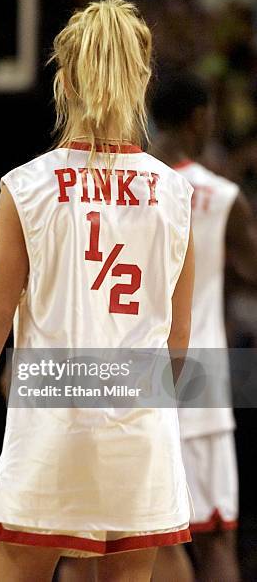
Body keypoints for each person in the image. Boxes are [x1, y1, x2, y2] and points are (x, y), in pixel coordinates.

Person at [0, 0, 195, 582]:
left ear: (66, 78)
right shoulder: (176, 195)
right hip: (139, 438)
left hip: (51, 433)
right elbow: (178, 344)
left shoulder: (27, 186)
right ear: (143, 77)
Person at [151, 72, 257, 582]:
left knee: (130, 547)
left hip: (131, 378)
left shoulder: (123, 188)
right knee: (216, 542)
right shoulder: (221, 196)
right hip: (201, 378)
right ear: (199, 119)